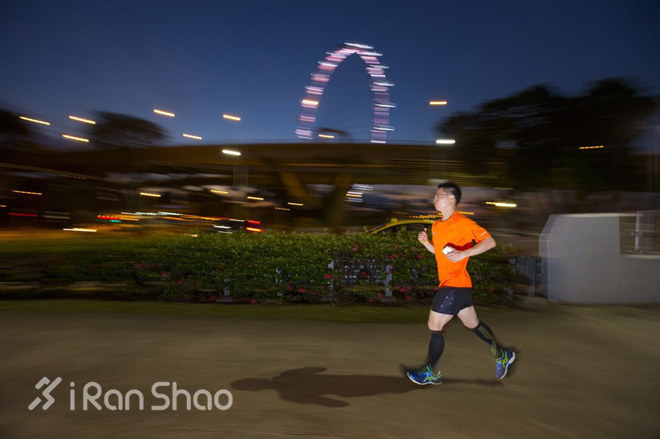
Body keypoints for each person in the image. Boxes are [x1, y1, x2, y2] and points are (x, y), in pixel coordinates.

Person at [406, 182, 516, 385]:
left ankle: (429, 371)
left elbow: (490, 242)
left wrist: (466, 253)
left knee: (435, 324)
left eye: (438, 196)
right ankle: (503, 354)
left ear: (451, 199)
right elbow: (440, 253)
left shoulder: (462, 223)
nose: (435, 199)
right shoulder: (437, 225)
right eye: (435, 196)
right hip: (457, 285)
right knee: (472, 323)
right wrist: (425, 243)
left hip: (454, 285)